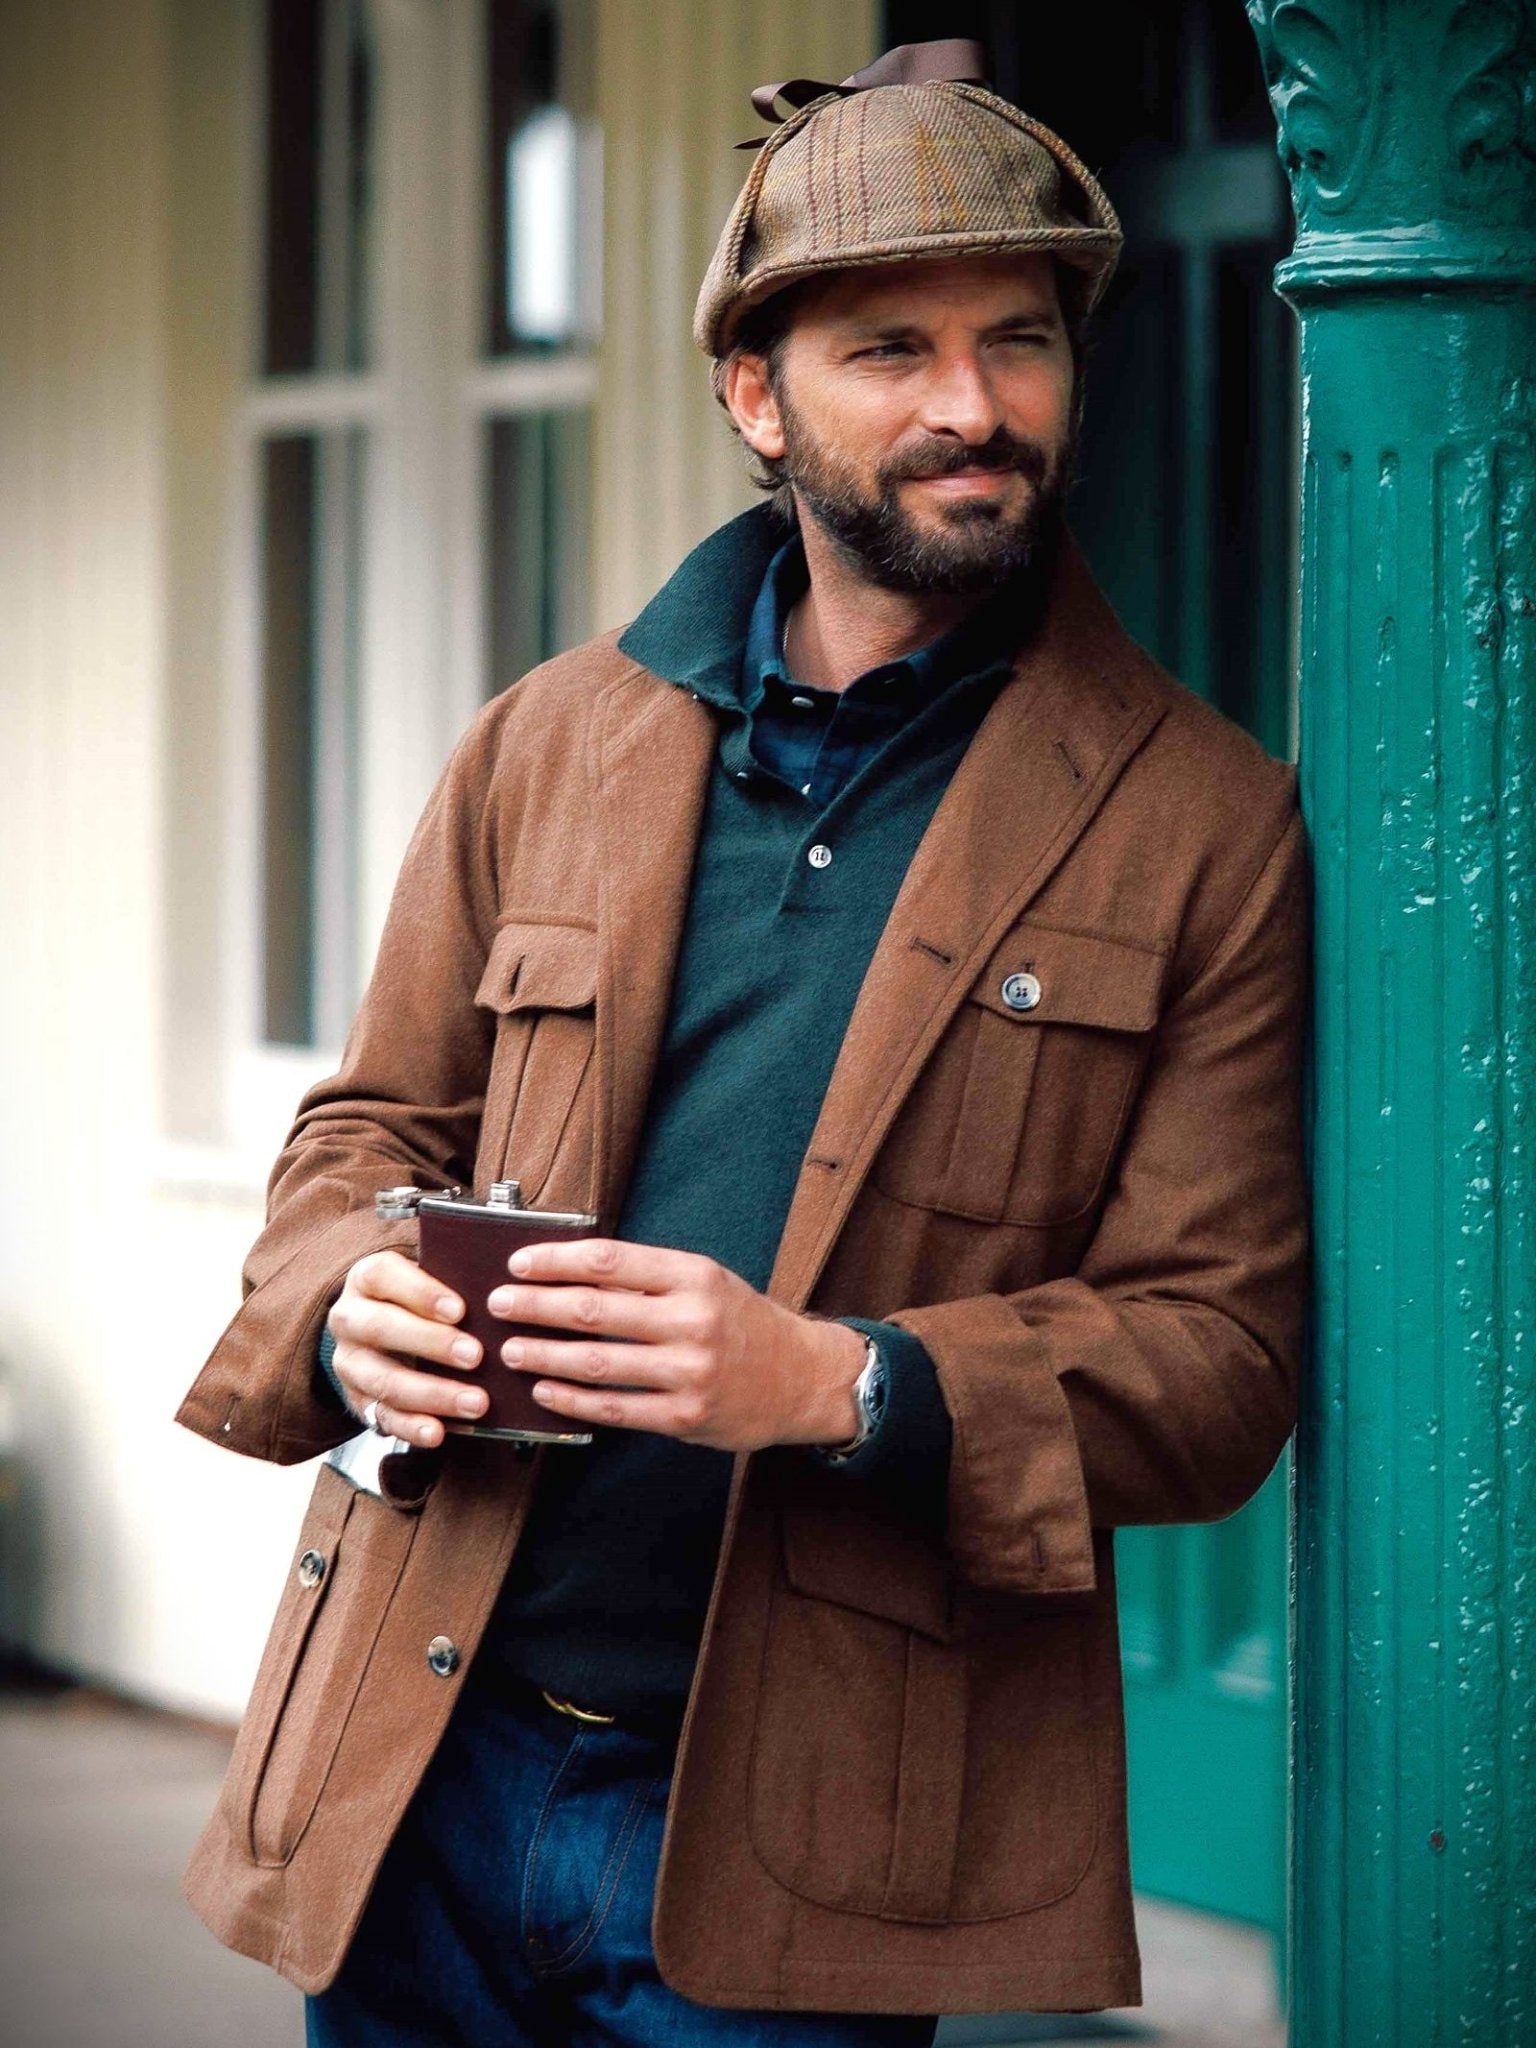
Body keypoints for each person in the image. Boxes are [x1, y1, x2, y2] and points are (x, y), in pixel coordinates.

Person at [175, 39, 1309, 2048]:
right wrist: (351, 1296)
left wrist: (836, 1380)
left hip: (802, 1845)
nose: (975, 405)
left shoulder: (1205, 819)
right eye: (893, 344)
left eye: (1020, 340)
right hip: (412, 1763)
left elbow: (1218, 1354)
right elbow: (363, 1129)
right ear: (754, 393)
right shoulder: (547, 739)